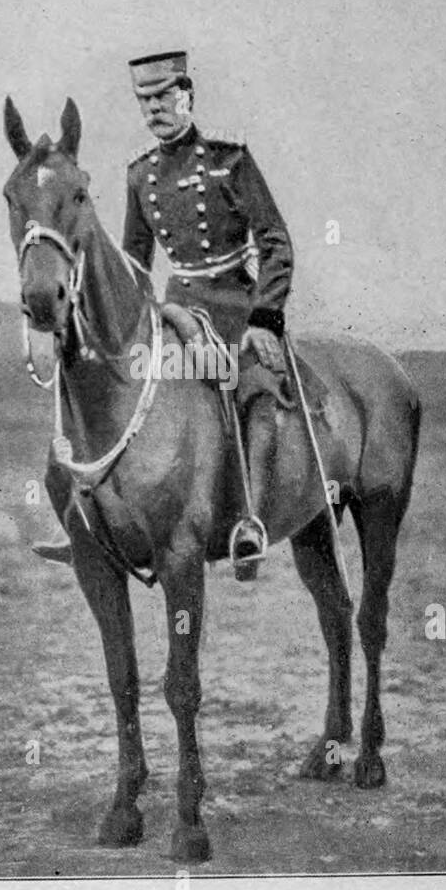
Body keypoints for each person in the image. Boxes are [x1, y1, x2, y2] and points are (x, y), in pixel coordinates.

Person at [122, 50, 294, 578]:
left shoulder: (229, 161)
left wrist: (266, 318)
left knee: (256, 385)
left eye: (164, 97)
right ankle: (109, 520)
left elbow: (275, 241)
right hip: (178, 309)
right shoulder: (140, 175)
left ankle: (251, 523)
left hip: (237, 309)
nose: (155, 109)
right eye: (145, 100)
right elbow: (134, 261)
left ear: (187, 96)